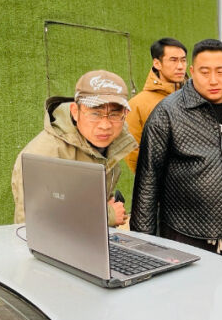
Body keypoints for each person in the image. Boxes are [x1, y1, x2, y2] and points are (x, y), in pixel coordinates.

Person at [131, 39, 222, 265]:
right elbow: (148, 179)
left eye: (220, 71)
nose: (213, 80)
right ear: (193, 71)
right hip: (183, 233)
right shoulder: (167, 113)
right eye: (205, 72)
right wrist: (143, 242)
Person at [12, 70, 135, 225]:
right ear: (75, 112)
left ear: (125, 113)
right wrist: (107, 215)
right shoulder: (44, 154)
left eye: (114, 114)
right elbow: (36, 222)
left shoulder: (110, 144)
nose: (105, 125)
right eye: (95, 114)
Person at [125, 38, 188, 172]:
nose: (180, 66)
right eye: (173, 60)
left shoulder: (196, 98)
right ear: (157, 63)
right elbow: (133, 152)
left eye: (183, 60)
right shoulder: (137, 105)